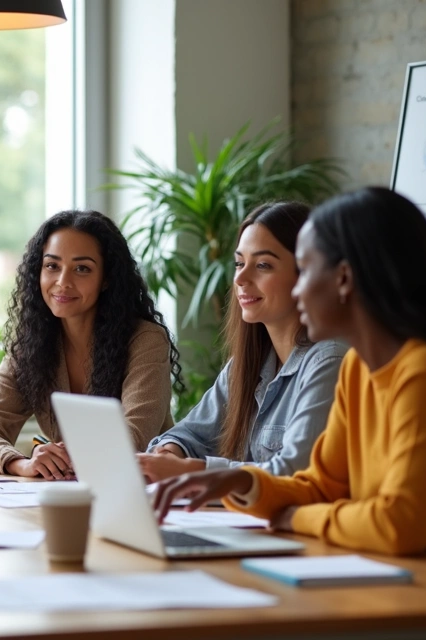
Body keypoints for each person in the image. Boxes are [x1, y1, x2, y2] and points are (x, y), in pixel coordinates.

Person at [153, 187, 426, 569]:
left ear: (344, 278)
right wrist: (242, 483)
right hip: (412, 573)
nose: (299, 289)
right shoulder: (358, 369)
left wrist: (294, 518)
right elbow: (319, 486)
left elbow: (401, 525)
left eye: (306, 269)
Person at [0, 210, 181, 479]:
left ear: (107, 279)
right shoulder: (32, 345)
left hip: (145, 494)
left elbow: (133, 437)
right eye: (52, 266)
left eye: (82, 269)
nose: (63, 282)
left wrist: (63, 457)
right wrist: (22, 463)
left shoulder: (145, 339)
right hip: (71, 492)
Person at [138, 203, 346, 482]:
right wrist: (169, 453)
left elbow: (296, 473)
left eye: (263, 265)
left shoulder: (330, 361)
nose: (240, 278)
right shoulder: (249, 364)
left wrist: (190, 470)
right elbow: (190, 434)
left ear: (306, 274)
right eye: (239, 263)